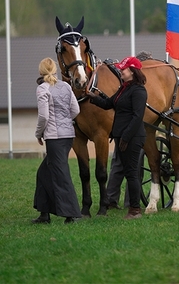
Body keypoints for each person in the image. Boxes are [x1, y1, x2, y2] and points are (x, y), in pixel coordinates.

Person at [88, 56, 147, 220]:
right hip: (122, 137)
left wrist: (126, 138)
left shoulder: (139, 91)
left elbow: (137, 118)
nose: (121, 71)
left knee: (131, 173)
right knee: (128, 172)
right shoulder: (124, 88)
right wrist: (92, 97)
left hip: (133, 137)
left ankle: (135, 210)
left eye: (124, 69)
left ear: (133, 72)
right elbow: (109, 103)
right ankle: (133, 208)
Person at [32, 58, 82, 224]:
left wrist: (39, 133)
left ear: (41, 71)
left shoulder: (42, 89)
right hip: (68, 136)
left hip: (54, 137)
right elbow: (75, 110)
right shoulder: (66, 86)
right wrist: (65, 121)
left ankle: (71, 214)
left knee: (61, 174)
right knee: (44, 173)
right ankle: (44, 214)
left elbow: (44, 116)